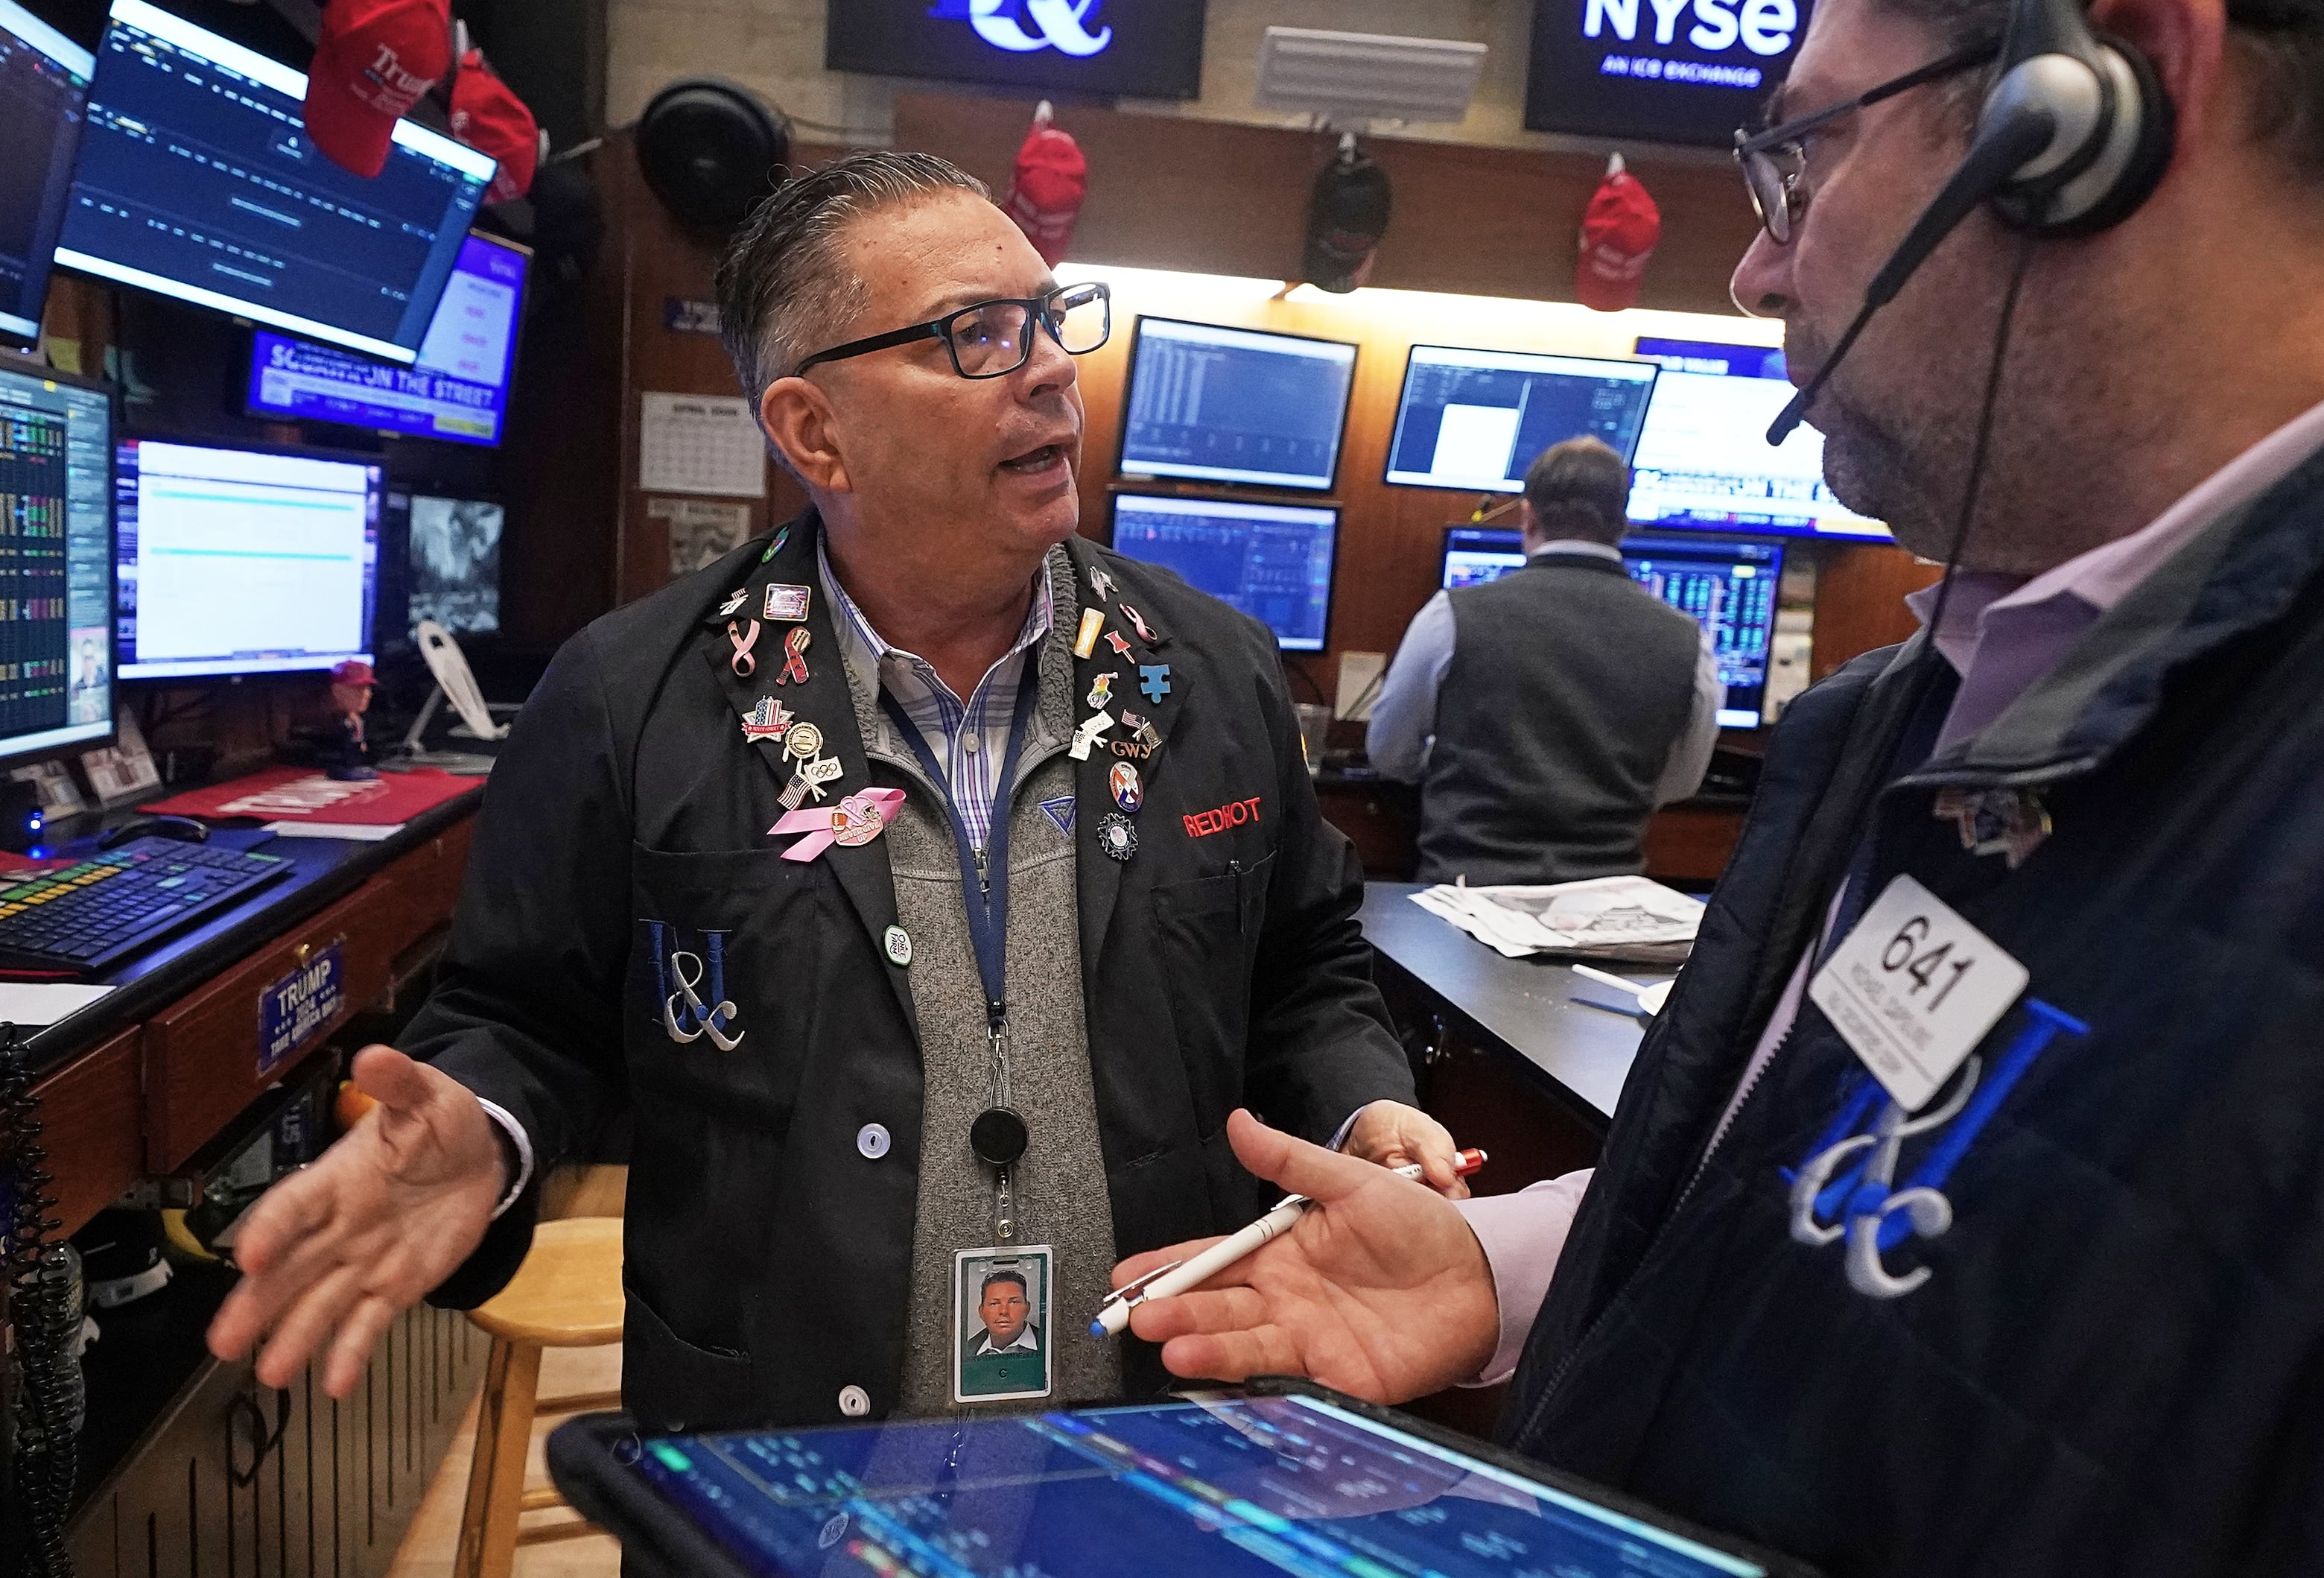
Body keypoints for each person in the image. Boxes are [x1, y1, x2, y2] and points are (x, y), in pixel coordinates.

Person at [1118, 0, 2324, 1570]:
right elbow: (1848, 1222)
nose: (1754, 270)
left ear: (2106, 111)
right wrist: (1507, 1264)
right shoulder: (1908, 711)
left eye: (1801, 165)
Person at [208, 151, 1464, 1434]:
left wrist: (1371, 1111)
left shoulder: (1211, 670)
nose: (1047, 367)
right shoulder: (629, 696)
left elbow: (1307, 970)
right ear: (816, 431)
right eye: (975, 335)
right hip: (786, 1443)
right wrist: (486, 1125)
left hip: (1161, 1432)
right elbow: (526, 1017)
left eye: (1046, 317)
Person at [1364, 436, 1721, 884]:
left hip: (1464, 899)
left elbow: (1388, 754)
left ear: (1527, 515)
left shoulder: (1451, 615)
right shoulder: (1689, 639)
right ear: (1623, 523)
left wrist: (1456, 762)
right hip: (1606, 909)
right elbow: (1681, 783)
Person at [962, 1271, 1047, 1398]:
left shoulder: (1050, 1346)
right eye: (994, 1303)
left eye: (1014, 1302)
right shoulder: (964, 1351)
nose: (1004, 1311)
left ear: (1027, 1308)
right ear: (981, 1311)